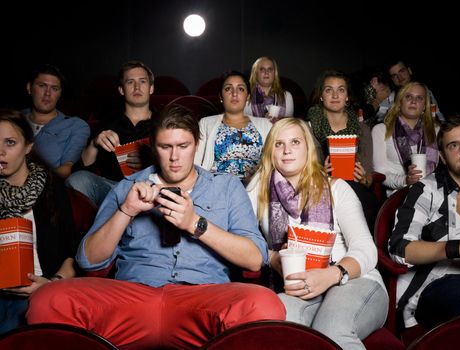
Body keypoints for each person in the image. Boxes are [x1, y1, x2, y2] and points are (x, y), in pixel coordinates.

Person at [26, 105, 285, 349]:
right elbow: (88, 260)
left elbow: (255, 259)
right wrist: (126, 211)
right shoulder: (128, 186)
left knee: (265, 304)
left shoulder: (226, 186)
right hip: (133, 297)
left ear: (197, 144)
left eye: (183, 146)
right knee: (47, 301)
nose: (174, 157)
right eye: (165, 146)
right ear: (152, 146)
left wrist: (194, 223)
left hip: (203, 298)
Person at [246, 118, 388, 350]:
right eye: (278, 144)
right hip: (301, 288)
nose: (287, 150)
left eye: (295, 142)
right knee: (273, 330)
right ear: (270, 151)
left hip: (354, 280)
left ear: (308, 148)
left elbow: (366, 249)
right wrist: (272, 257)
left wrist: (332, 274)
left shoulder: (337, 188)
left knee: (331, 330)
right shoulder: (258, 189)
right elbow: (243, 241)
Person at [0, 109, 82, 335]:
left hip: (40, 289)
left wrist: (50, 283)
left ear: (28, 147)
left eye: (10, 143)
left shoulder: (52, 188)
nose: (0, 152)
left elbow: (72, 254)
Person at [389, 114, 460, 330]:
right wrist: (459, 247)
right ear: (442, 156)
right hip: (434, 287)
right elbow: (400, 249)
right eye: (454, 145)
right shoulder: (426, 190)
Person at [66, 60, 155, 206]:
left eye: (143, 81)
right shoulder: (106, 123)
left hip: (152, 188)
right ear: (121, 90)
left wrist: (151, 161)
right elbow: (80, 171)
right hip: (112, 188)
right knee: (77, 179)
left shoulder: (164, 123)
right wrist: (94, 144)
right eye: (130, 82)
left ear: (151, 88)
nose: (137, 87)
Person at [306, 69, 378, 229]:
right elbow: (302, 172)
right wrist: (320, 173)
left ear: (347, 97)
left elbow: (369, 176)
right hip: (320, 191)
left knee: (362, 197)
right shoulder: (308, 128)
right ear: (321, 96)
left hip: (356, 190)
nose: (335, 95)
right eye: (328, 90)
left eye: (341, 90)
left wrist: (364, 178)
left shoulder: (362, 129)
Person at [195, 70, 272, 185]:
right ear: (221, 96)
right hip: (216, 187)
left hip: (255, 187)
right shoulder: (206, 123)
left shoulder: (266, 125)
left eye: (240, 89)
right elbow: (196, 164)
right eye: (228, 89)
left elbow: (273, 162)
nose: (234, 93)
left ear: (248, 97)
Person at [22, 63, 90, 179]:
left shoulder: (75, 126)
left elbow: (66, 170)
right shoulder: (13, 120)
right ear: (29, 88)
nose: (47, 93)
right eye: (42, 85)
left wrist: (31, 182)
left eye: (54, 88)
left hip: (46, 188)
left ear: (60, 93)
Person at [372, 81, 439, 195]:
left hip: (432, 194)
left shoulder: (436, 130)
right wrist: (405, 180)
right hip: (399, 196)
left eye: (419, 98)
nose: (413, 101)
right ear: (399, 102)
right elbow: (381, 173)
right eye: (408, 96)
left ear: (424, 106)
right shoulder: (381, 130)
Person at [244, 57, 294, 122]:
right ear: (255, 73)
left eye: (270, 69)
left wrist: (278, 121)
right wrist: (263, 121)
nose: (266, 72)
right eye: (262, 69)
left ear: (274, 74)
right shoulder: (246, 95)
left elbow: (289, 124)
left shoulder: (286, 96)